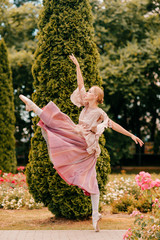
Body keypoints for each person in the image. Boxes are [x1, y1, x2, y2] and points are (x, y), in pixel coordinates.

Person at [19, 54, 144, 232]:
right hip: (78, 138)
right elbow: (80, 84)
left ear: (97, 97)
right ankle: (95, 215)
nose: (87, 93)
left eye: (91, 92)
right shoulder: (85, 107)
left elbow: (113, 125)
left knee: (59, 122)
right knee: (59, 126)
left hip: (87, 145)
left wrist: (131, 135)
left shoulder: (99, 112)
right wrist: (77, 66)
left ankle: (34, 106)